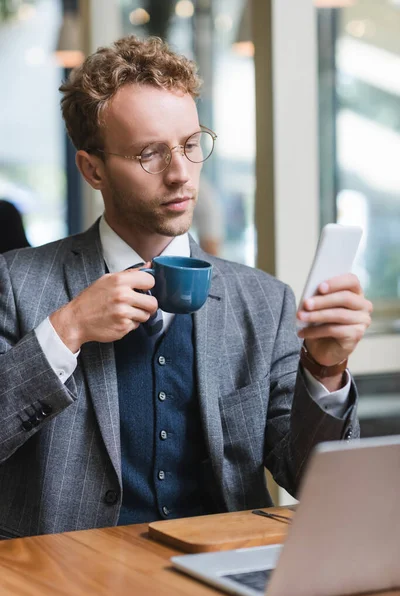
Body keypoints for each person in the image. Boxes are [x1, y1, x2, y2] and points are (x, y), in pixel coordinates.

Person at [0, 36, 372, 539]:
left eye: (191, 145)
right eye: (150, 154)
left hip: (222, 567)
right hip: (68, 577)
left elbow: (309, 479)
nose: (181, 174)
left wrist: (325, 369)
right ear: (93, 169)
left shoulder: (264, 301)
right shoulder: (15, 282)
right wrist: (66, 330)